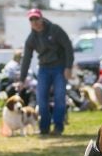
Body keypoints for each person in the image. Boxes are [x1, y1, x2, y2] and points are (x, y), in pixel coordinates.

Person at [19, 8, 74, 136]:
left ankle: (58, 127)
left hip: (59, 67)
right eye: (31, 20)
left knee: (59, 97)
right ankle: (44, 128)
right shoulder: (31, 38)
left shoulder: (55, 30)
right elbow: (26, 59)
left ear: (41, 18)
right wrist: (21, 79)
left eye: (36, 18)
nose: (35, 22)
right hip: (43, 68)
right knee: (41, 98)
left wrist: (68, 67)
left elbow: (68, 47)